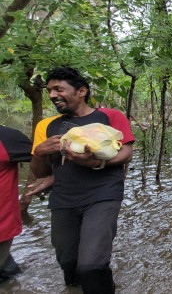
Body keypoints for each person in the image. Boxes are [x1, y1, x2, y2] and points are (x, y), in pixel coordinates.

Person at [30, 67, 135, 293]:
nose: (52, 95)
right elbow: (40, 172)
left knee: (91, 264)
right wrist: (39, 152)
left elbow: (126, 152)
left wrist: (95, 163)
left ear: (81, 91)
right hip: (64, 199)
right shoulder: (46, 126)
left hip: (103, 194)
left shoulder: (111, 116)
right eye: (49, 90)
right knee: (68, 263)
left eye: (59, 89)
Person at [0, 125, 32, 283]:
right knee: (8, 273)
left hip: (2, 225)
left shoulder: (6, 138)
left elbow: (42, 155)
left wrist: (49, 179)